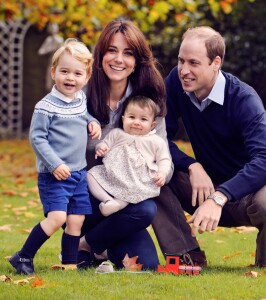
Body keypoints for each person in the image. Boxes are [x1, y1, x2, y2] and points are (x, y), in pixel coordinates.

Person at [152, 26, 266, 268]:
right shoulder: (176, 82)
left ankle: (265, 250)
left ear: (216, 62)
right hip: (203, 188)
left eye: (193, 63)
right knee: (151, 169)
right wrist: (192, 165)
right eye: (181, 60)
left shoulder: (244, 99)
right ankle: (187, 254)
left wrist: (220, 196)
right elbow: (157, 138)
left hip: (248, 196)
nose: (184, 70)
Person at [77, 18, 173, 270]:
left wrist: (156, 173)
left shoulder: (148, 101)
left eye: (127, 53)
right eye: (112, 50)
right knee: (136, 212)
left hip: (127, 201)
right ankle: (93, 241)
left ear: (136, 62)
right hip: (85, 196)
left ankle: (88, 244)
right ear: (100, 56)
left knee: (147, 261)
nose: (119, 59)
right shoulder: (81, 94)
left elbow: (163, 154)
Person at [9, 38, 101, 275]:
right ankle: (23, 256)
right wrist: (55, 164)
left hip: (78, 173)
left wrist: (93, 122)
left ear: (87, 76)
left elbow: (84, 115)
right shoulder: (45, 106)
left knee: (76, 221)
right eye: (64, 71)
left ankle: (69, 263)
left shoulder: (80, 99)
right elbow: (37, 138)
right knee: (58, 217)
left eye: (77, 73)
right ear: (53, 72)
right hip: (55, 175)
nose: (70, 78)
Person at [87, 95, 172, 216]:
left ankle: (118, 204)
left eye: (143, 119)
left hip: (137, 178)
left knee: (131, 190)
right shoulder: (117, 134)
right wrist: (101, 148)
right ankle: (108, 200)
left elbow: (164, 159)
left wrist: (162, 173)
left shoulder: (156, 141)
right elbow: (104, 144)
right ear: (123, 119)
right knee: (90, 175)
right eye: (132, 117)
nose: (136, 122)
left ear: (152, 125)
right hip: (112, 174)